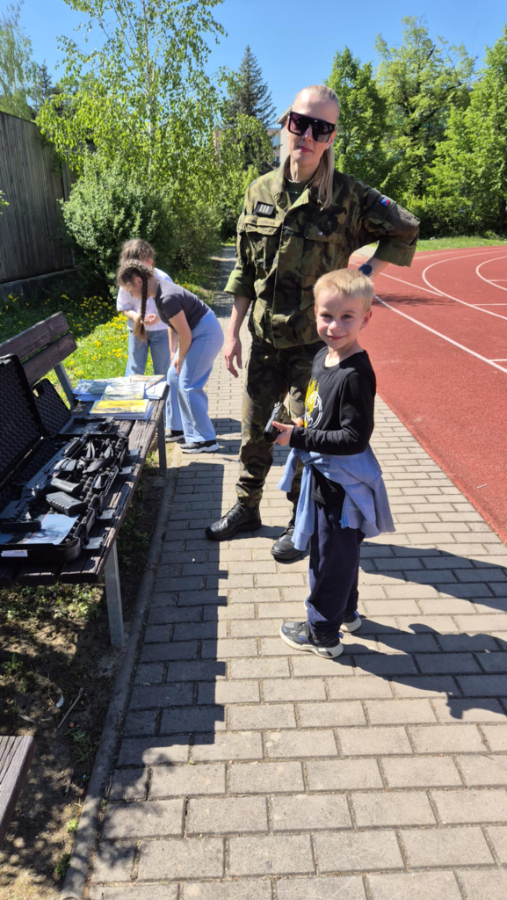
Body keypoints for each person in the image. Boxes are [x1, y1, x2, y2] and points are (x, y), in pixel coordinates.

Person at [205, 83, 419, 561]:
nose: (306, 135)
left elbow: (405, 226)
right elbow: (244, 269)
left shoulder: (348, 195)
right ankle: (246, 508)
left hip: (314, 349)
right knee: (254, 432)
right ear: (286, 123)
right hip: (264, 341)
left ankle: (298, 523)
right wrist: (232, 331)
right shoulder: (259, 190)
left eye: (320, 128)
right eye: (299, 122)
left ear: (331, 137)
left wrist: (363, 275)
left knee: (305, 438)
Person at [273, 268, 394, 658]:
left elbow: (354, 439)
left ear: (365, 319)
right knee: (341, 554)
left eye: (347, 317)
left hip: (342, 486)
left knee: (329, 559)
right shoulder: (322, 358)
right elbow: (320, 413)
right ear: (315, 313)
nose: (335, 326)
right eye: (327, 316)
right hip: (325, 478)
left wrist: (299, 438)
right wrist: (301, 426)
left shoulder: (355, 374)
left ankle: (322, 634)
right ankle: (345, 613)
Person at [116, 260, 224, 453]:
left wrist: (181, 359)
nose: (131, 295)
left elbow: (186, 335)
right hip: (197, 333)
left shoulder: (166, 297)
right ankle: (177, 429)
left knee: (188, 384)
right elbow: (172, 325)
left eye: (130, 290)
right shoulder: (158, 292)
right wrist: (174, 353)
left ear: (139, 281)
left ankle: (205, 439)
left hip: (206, 335)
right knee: (173, 376)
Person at [116, 239, 178, 382]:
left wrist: (159, 317)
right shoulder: (126, 281)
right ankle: (132, 395)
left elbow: (172, 309)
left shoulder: (163, 279)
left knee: (163, 370)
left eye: (137, 266)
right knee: (134, 369)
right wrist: (135, 317)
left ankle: (164, 395)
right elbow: (123, 307)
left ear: (150, 262)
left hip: (161, 331)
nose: (134, 273)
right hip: (137, 331)